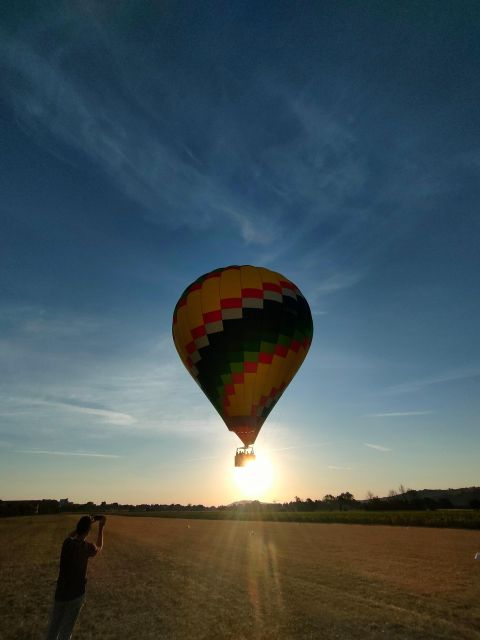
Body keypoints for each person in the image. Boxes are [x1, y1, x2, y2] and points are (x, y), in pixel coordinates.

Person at [46, 514, 106, 640]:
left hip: (60, 592)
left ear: (77, 528)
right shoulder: (87, 547)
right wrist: (101, 528)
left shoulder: (67, 543)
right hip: (76, 594)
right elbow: (99, 547)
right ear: (88, 531)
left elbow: (71, 535)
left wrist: (86, 524)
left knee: (53, 628)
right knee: (66, 632)